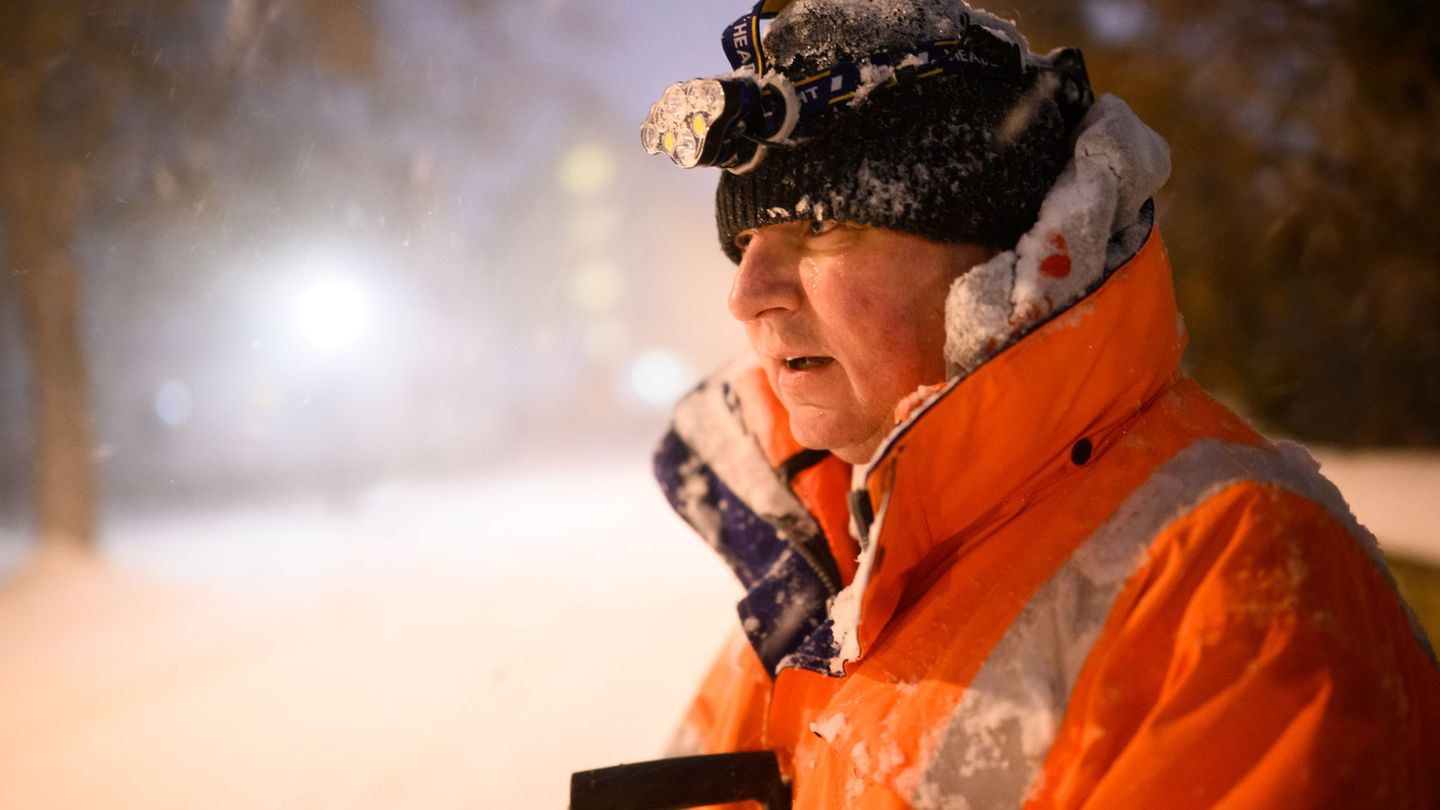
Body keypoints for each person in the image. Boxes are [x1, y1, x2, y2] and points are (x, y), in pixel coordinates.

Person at [606, 1, 1440, 807]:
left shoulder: (1232, 592)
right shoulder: (831, 567)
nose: (747, 295)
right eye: (743, 244)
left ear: (997, 262)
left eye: (823, 227)